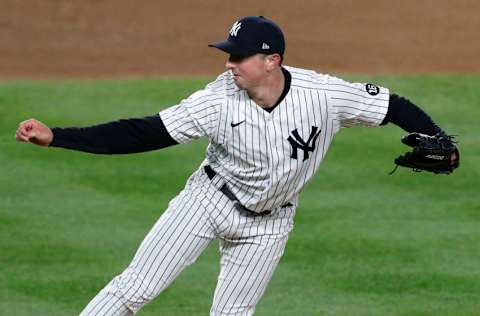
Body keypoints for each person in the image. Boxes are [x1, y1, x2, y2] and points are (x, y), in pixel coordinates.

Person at [15, 16, 457, 316]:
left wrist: (438, 137)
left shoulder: (322, 94)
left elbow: (390, 103)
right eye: (228, 54)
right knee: (135, 289)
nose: (228, 64)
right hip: (208, 201)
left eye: (238, 56)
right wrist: (59, 137)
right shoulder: (216, 100)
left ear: (272, 61)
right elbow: (141, 133)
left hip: (271, 222)